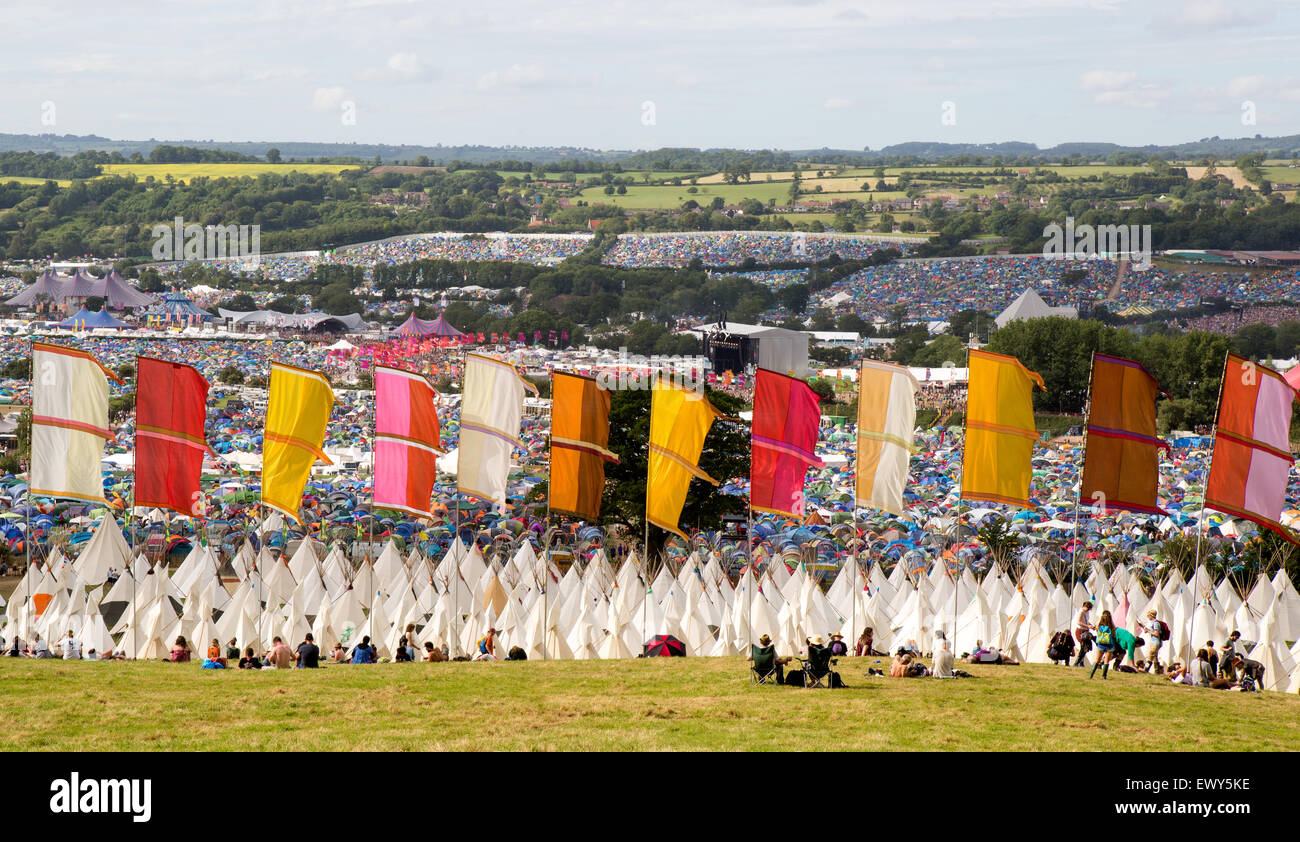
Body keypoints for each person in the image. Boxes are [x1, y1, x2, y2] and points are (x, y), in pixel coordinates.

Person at [1089, 610, 1117, 679]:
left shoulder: (1099, 625)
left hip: (1101, 644)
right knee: (1106, 661)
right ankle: (1104, 676)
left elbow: (1096, 630)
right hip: (1109, 645)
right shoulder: (1111, 626)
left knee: (1097, 660)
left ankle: (1091, 675)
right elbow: (1114, 634)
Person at [1073, 601, 1094, 667]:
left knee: (1086, 647)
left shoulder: (1086, 612)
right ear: (1084, 606)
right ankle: (1077, 662)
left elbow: (1086, 621)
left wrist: (1090, 625)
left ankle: (1080, 662)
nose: (1088, 609)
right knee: (1083, 646)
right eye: (1087, 608)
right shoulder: (1081, 612)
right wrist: (1087, 626)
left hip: (1085, 631)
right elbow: (1079, 622)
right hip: (1080, 631)